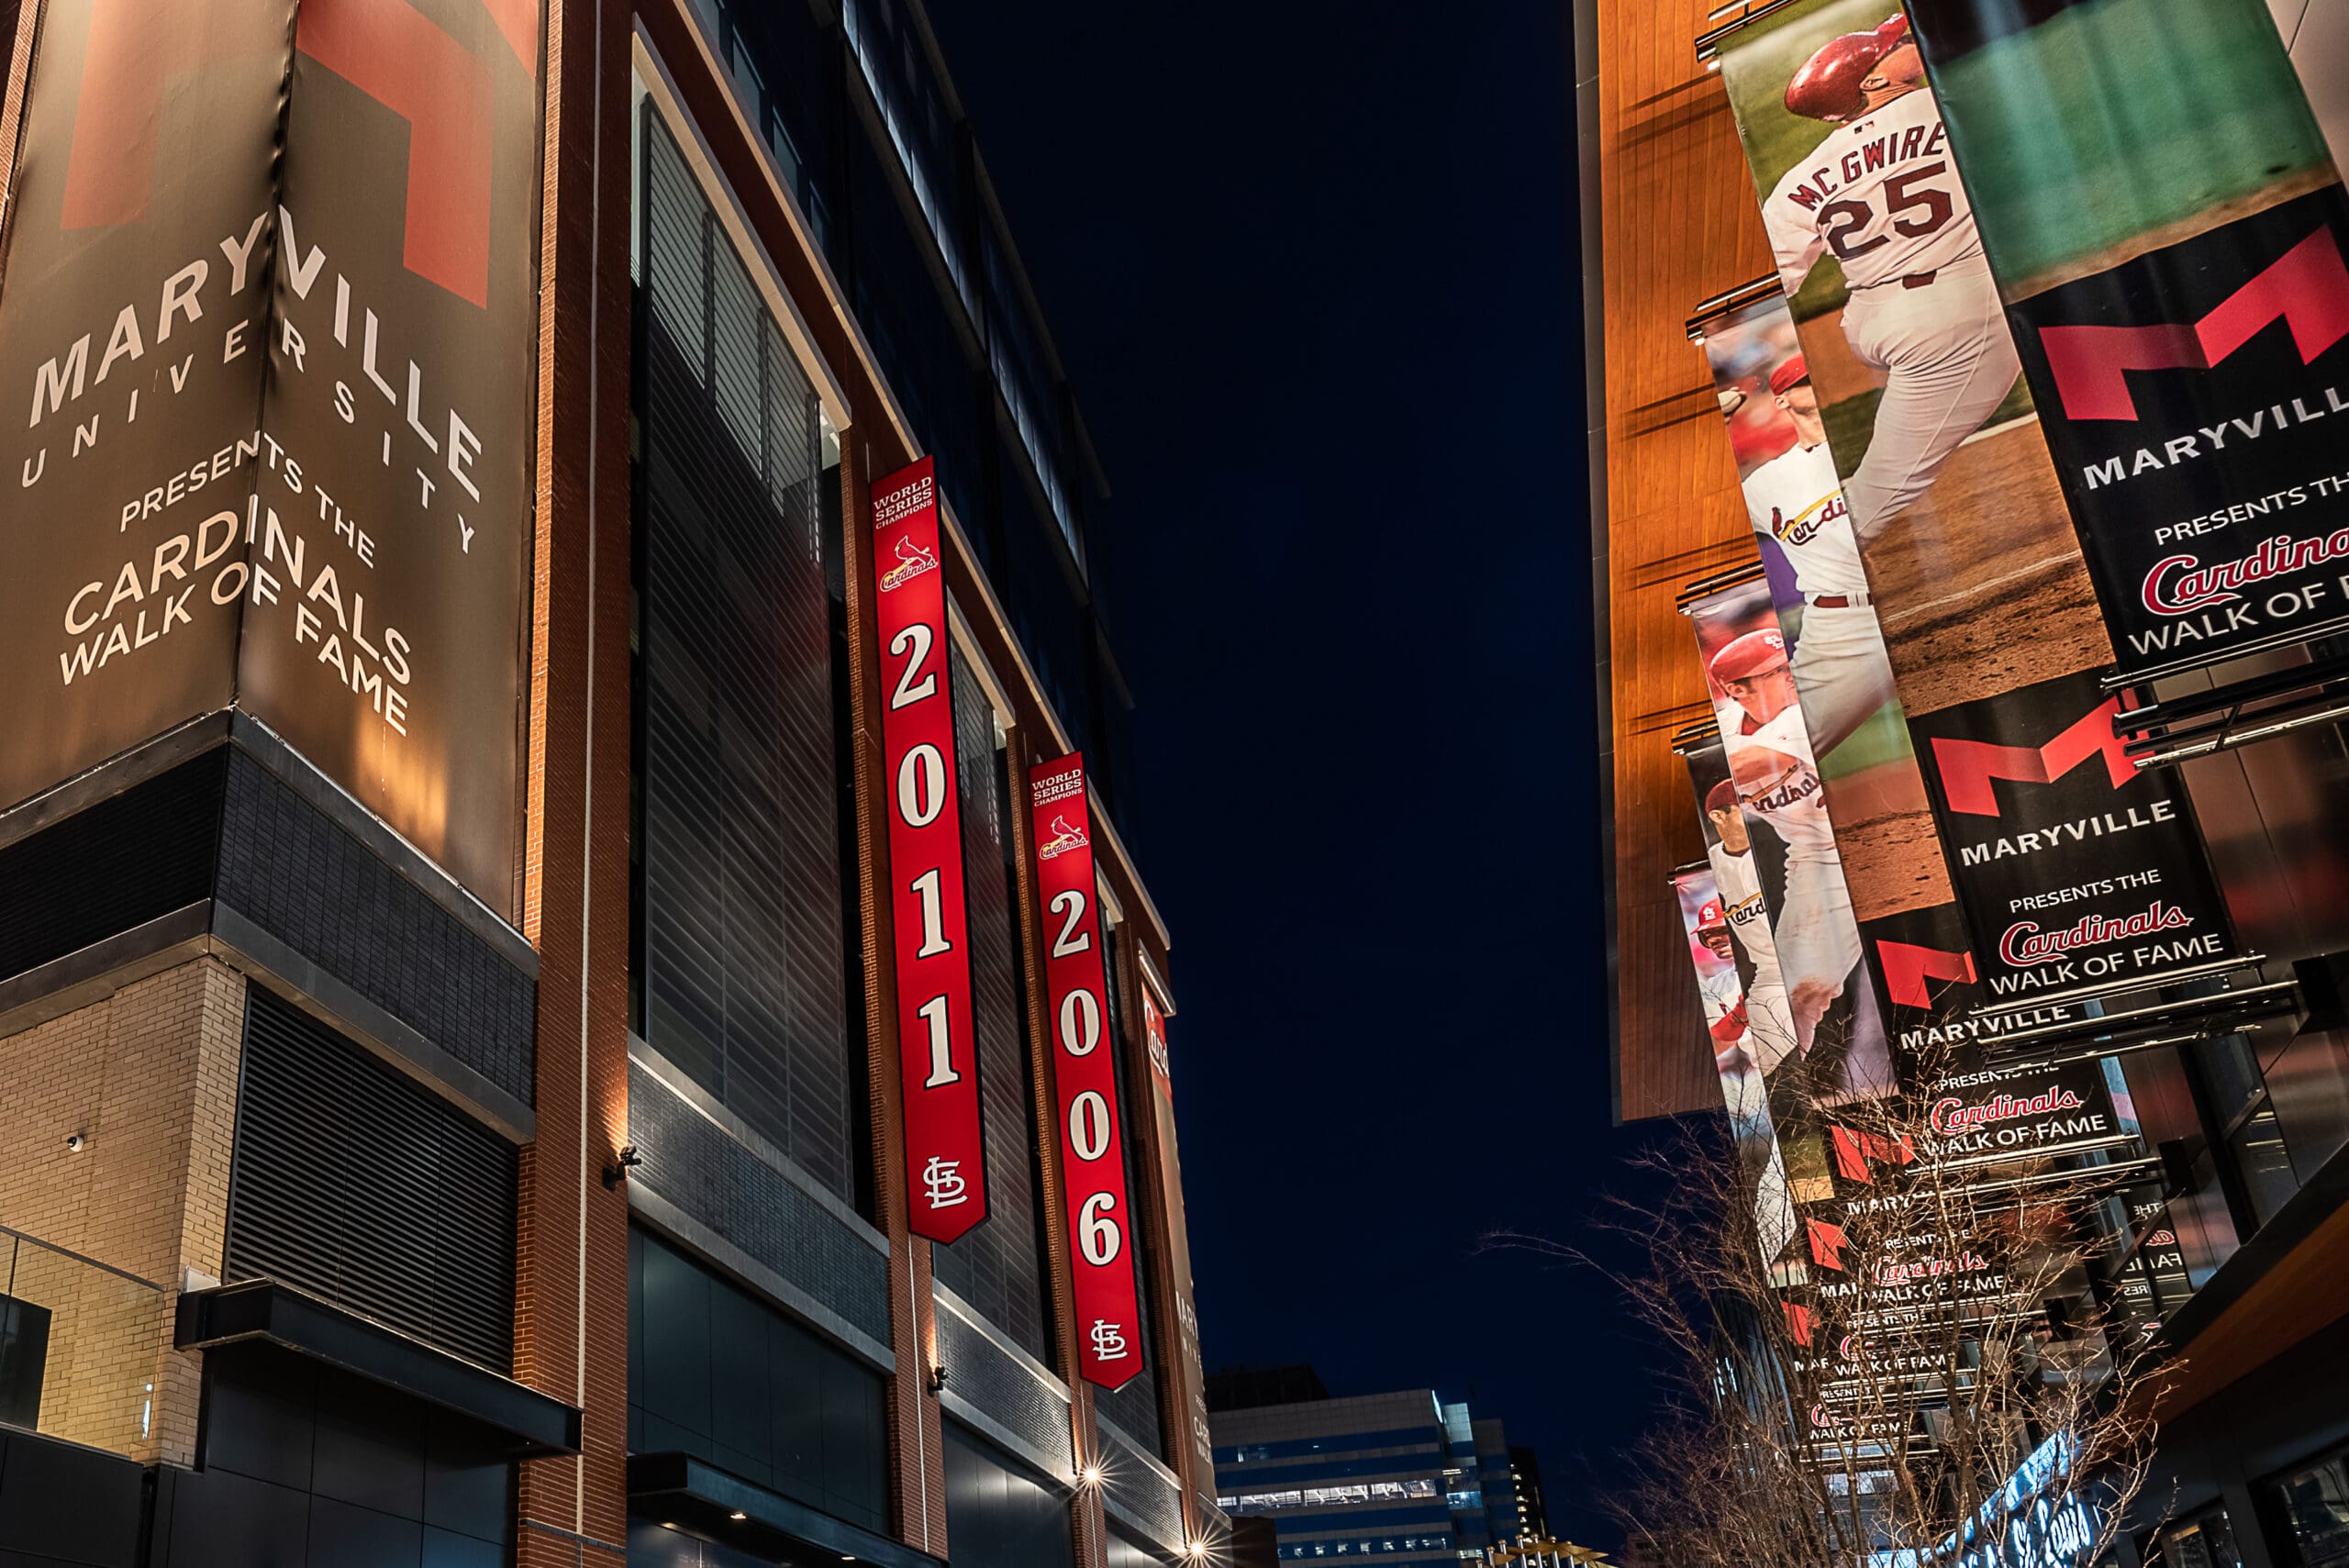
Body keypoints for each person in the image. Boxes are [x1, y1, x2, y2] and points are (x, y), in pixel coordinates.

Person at [1768, 14, 2021, 545]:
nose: (1909, 42)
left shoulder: (1798, 180)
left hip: (1876, 319)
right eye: (1894, 45)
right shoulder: (1947, 104)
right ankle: (1819, 571)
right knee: (1884, 486)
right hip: (1957, 320)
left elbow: (1771, 283)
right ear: (1874, 82)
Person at [1709, 628, 1864, 1061]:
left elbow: (1747, 763)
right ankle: (1778, 1082)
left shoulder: (1798, 715)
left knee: (1806, 985)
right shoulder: (1727, 724)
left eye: (1787, 665)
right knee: (1798, 990)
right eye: (1775, 672)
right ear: (1738, 690)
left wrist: (1712, 773)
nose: (1790, 675)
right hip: (1814, 859)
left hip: (1864, 833)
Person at [1742, 354, 1898, 755]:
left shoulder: (1881, 441)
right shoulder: (1765, 485)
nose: (1816, 386)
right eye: (1803, 382)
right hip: (1841, 629)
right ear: (1781, 401)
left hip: (1916, 599)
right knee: (1785, 751)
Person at [1703, 777, 1801, 1075]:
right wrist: (1739, 1015)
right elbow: (1714, 1048)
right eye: (1745, 807)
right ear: (1718, 816)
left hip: (1818, 957)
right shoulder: (1712, 869)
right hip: (1770, 973)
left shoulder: (1783, 844)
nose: (1759, 813)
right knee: (1774, 1074)